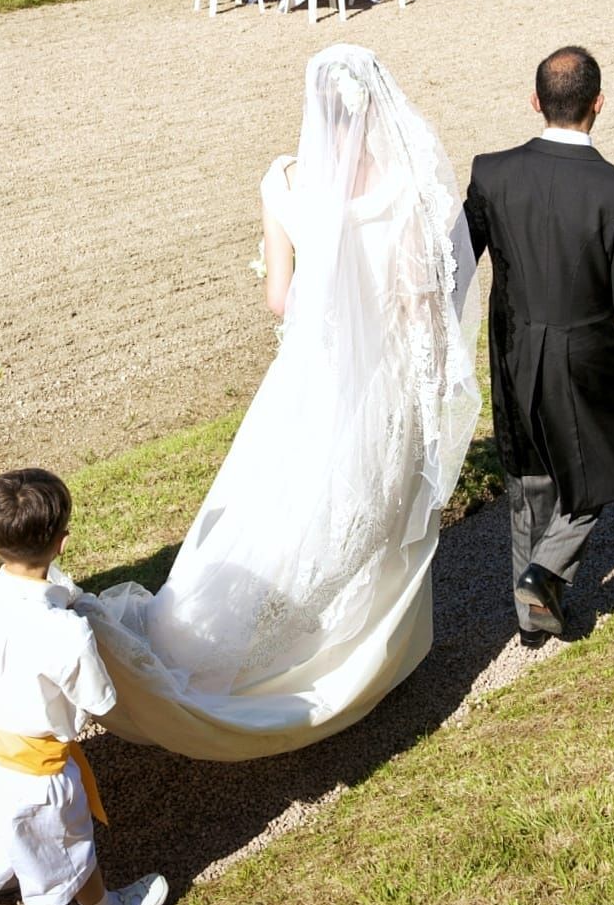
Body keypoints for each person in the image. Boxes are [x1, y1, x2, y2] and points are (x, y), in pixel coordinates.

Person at [79, 45, 481, 759]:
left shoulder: (284, 181)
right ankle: (368, 658)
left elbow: (278, 298)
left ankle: (236, 639)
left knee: (290, 508)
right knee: (377, 514)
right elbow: (420, 302)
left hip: (311, 375)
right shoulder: (406, 182)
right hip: (384, 378)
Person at [463, 47, 614, 648]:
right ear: (598, 104)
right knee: (605, 466)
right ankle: (545, 574)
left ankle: (531, 620)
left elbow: (454, 263)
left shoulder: (490, 173)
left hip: (512, 351)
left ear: (535, 102)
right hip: (586, 359)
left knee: (528, 477)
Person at [0, 468, 168, 905]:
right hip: (35, 773)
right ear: (62, 542)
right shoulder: (66, 632)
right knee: (70, 848)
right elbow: (99, 702)